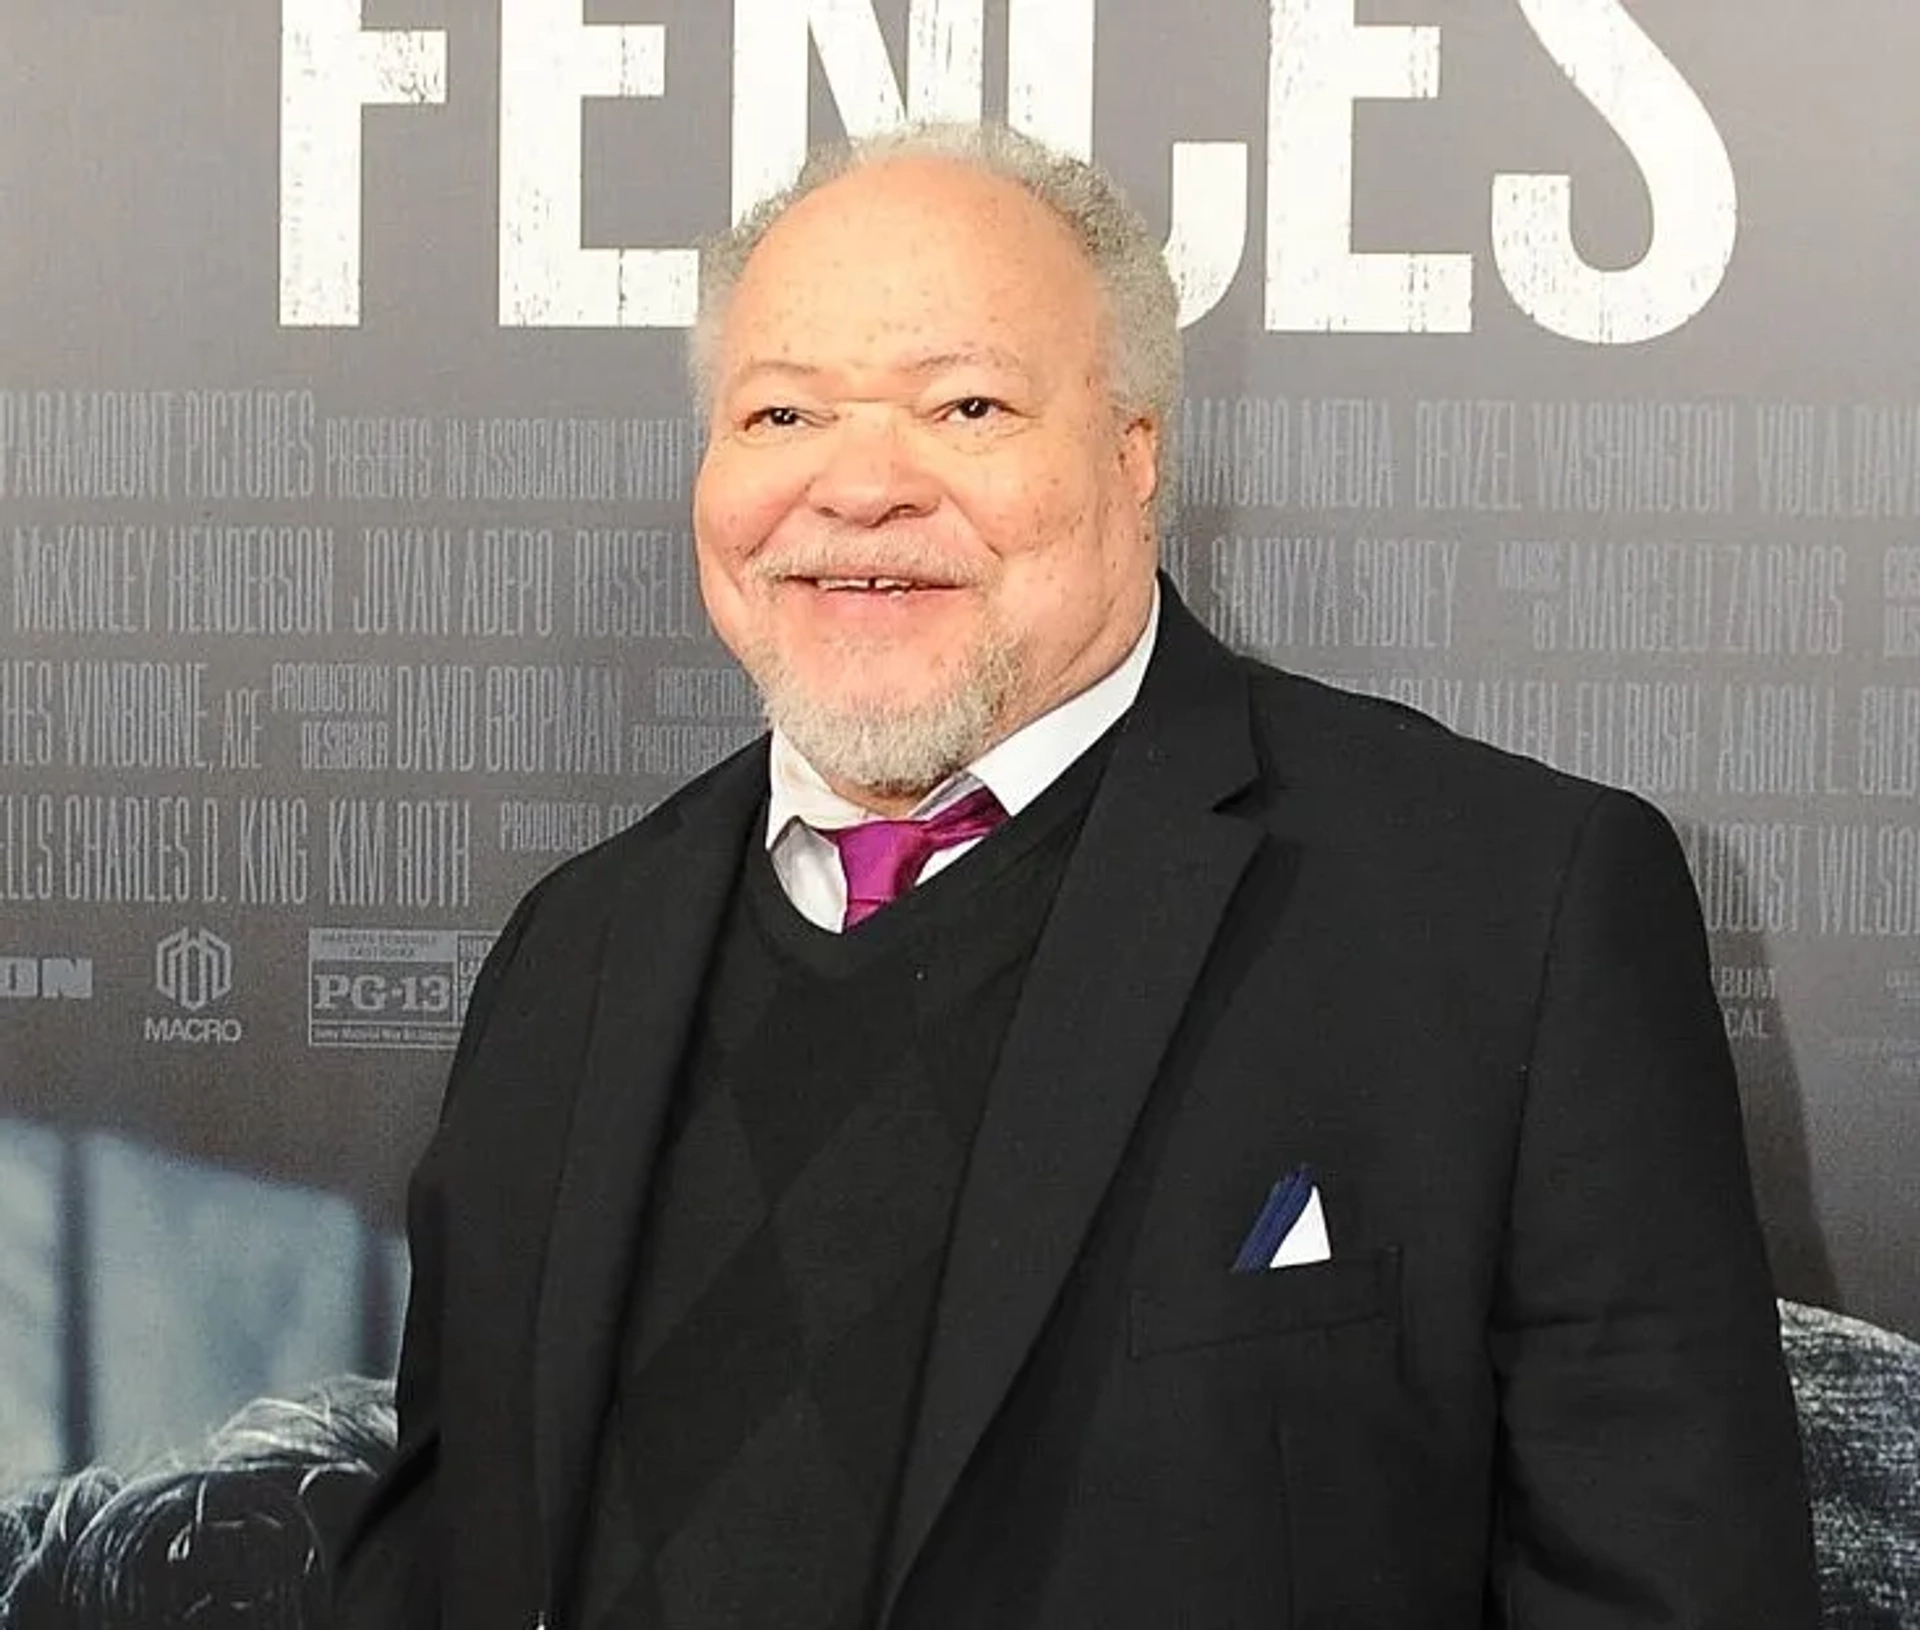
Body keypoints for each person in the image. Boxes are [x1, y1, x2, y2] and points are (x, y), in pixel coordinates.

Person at [336, 122, 1816, 1628]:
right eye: (781, 414)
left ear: (1134, 450)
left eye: (965, 404)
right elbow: (441, 1556)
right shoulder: (572, 954)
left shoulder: (1510, 912)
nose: (858, 488)